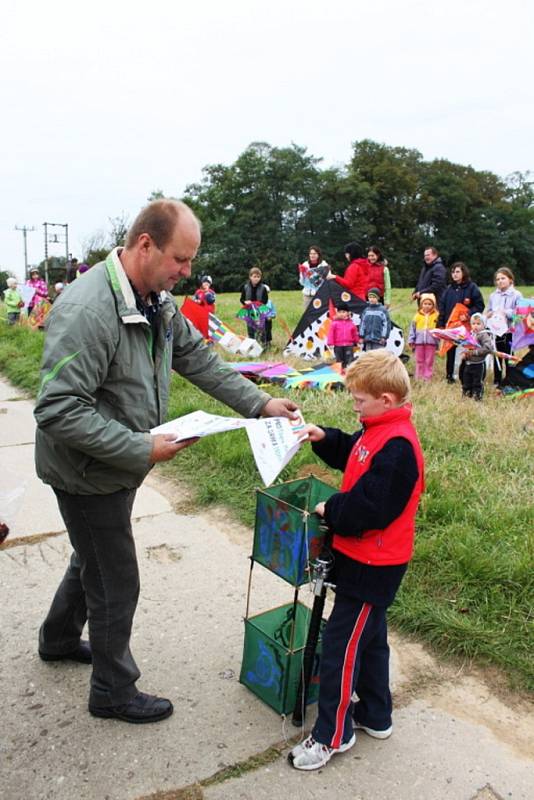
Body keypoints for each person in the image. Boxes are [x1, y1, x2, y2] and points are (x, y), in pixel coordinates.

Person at [34, 200, 298, 725]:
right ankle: (112, 691)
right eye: (180, 259)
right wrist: (142, 448)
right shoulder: (90, 308)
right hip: (87, 471)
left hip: (116, 465)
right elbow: (57, 409)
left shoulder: (154, 299)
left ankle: (58, 639)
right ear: (145, 244)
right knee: (116, 578)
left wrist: (260, 403)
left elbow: (197, 358)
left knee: (94, 557)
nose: (187, 272)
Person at [288, 350, 424, 771]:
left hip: (373, 565)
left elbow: (372, 507)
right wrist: (323, 437)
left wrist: (334, 509)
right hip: (362, 559)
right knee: (372, 640)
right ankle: (376, 715)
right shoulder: (377, 429)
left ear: (386, 398)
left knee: (341, 649)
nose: (354, 405)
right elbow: (355, 454)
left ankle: (332, 734)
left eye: (359, 399)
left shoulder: (399, 447)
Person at [437, 262, 484, 383]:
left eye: (457, 271)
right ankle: (449, 376)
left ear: (464, 272)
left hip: (466, 327)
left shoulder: (472, 287)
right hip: (451, 326)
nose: (454, 274)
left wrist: (468, 315)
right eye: (453, 272)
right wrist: (441, 324)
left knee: (464, 351)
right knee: (450, 351)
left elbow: (480, 305)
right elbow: (441, 307)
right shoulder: (448, 289)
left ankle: (464, 375)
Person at [486, 267, 522, 387]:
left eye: (503, 278)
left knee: (508, 356)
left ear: (510, 280)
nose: (500, 281)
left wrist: (506, 312)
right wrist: (490, 314)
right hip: (495, 331)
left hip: (509, 331)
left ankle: (509, 380)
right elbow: (489, 310)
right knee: (497, 354)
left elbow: (519, 313)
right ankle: (497, 379)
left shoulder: (516, 295)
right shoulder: (493, 296)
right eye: (497, 279)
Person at [460, 312, 494, 400]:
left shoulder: (484, 335)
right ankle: (467, 395)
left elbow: (488, 348)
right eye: (473, 324)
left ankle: (477, 397)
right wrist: (465, 353)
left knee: (477, 382)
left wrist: (475, 352)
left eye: (478, 324)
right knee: (466, 380)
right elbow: (466, 346)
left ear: (483, 324)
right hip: (468, 362)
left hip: (478, 364)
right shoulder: (470, 334)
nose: (475, 326)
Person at [408, 293, 439, 381]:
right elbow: (412, 329)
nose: (427, 306)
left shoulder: (436, 316)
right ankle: (419, 376)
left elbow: (439, 329)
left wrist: (437, 340)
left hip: (431, 342)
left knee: (429, 360)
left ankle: (427, 377)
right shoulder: (417, 316)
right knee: (419, 359)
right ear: (421, 304)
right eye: (425, 304)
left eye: (430, 304)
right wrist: (411, 339)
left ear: (433, 305)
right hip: (419, 342)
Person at [239, 267, 272, 346]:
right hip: (249, 312)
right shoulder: (245, 287)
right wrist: (245, 302)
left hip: (260, 312)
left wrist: (258, 304)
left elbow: (265, 300)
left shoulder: (263, 288)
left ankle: (263, 345)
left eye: (258, 277)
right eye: (254, 277)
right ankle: (252, 345)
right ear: (250, 277)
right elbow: (242, 299)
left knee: (261, 329)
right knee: (251, 329)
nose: (256, 279)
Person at [327, 302, 360, 372]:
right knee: (339, 361)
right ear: (337, 313)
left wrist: (357, 341)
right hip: (338, 346)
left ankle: (348, 373)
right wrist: (330, 343)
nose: (341, 313)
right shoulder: (334, 323)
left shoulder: (351, 323)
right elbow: (331, 334)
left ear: (348, 313)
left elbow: (354, 334)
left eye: (344, 312)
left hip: (349, 346)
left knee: (349, 360)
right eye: (339, 312)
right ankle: (340, 373)